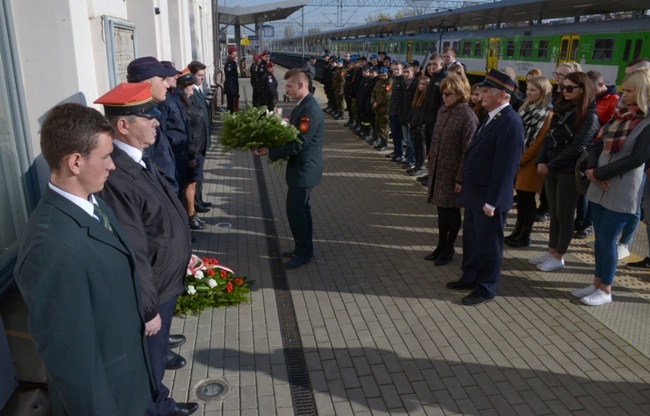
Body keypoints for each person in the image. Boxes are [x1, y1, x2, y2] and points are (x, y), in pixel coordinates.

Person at [14, 103, 153, 415]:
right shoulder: (51, 248)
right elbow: (73, 366)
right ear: (75, 162)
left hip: (130, 388)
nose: (112, 166)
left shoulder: (93, 204)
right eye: (105, 157)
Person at [94, 83, 197, 416]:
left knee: (154, 360)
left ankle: (160, 402)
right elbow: (134, 247)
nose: (156, 121)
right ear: (123, 125)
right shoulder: (116, 175)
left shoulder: (136, 160)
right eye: (146, 116)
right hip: (154, 290)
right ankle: (153, 409)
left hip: (165, 279)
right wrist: (148, 307)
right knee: (148, 362)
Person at [445, 70, 525, 305]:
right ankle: (470, 276)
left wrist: (492, 201)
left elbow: (506, 168)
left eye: (486, 91)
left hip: (488, 199)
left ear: (502, 94)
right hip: (475, 195)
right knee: (472, 240)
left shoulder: (510, 122)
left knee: (489, 245)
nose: (480, 94)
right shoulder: (492, 116)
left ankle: (486, 288)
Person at [572, 68, 650, 306]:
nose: (624, 95)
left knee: (606, 240)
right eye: (624, 90)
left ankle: (606, 289)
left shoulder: (646, 123)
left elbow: (637, 158)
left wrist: (598, 173)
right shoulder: (620, 114)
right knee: (600, 239)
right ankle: (597, 282)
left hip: (621, 190)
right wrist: (593, 169)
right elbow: (597, 143)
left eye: (630, 91)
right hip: (600, 184)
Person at [254, 69, 324, 269]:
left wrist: (270, 150)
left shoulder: (309, 109)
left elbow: (299, 143)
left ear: (301, 85)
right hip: (302, 168)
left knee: (295, 211)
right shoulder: (303, 105)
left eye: (290, 86)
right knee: (302, 210)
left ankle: (303, 252)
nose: (287, 90)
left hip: (305, 170)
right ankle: (303, 248)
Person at [532, 72, 599, 271]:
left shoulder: (589, 115)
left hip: (569, 172)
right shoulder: (560, 108)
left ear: (583, 90)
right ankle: (552, 251)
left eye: (570, 88)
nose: (564, 91)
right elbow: (547, 137)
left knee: (565, 215)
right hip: (552, 168)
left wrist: (551, 164)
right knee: (554, 213)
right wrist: (541, 160)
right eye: (563, 87)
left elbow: (578, 146)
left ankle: (559, 256)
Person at [425, 74, 478, 265]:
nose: (444, 97)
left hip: (453, 173)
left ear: (460, 94)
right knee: (441, 212)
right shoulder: (443, 111)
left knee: (452, 213)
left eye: (448, 94)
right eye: (443, 93)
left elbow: (468, 151)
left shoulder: (467, 116)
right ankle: (440, 246)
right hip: (439, 169)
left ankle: (449, 249)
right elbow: (436, 138)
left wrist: (460, 178)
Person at [507, 76, 553, 247]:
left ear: (543, 92)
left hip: (530, 163)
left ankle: (525, 235)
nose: (529, 93)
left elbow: (539, 142)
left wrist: (520, 160)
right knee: (521, 198)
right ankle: (517, 231)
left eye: (533, 90)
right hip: (519, 159)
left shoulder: (547, 113)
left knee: (527, 200)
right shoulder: (527, 107)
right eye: (528, 89)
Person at [127, 56, 179, 195]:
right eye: (162, 79)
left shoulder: (155, 111)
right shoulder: (140, 123)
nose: (167, 85)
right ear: (146, 84)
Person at [177, 70, 209, 230]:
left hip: (197, 148)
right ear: (182, 87)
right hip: (192, 150)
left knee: (194, 183)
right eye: (189, 85)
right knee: (189, 184)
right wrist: (191, 154)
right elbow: (187, 131)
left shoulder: (189, 102)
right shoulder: (182, 106)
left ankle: (193, 211)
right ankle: (190, 216)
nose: (192, 88)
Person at [188, 60, 212, 214]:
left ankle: (200, 199)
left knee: (200, 173)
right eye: (199, 75)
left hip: (202, 140)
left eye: (203, 75)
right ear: (192, 76)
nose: (202, 78)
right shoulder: (192, 94)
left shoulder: (198, 91)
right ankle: (196, 203)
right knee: (196, 175)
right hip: (197, 142)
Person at [407, 77, 430, 176]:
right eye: (420, 84)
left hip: (420, 127)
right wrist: (409, 120)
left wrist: (413, 123)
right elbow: (412, 110)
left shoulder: (426, 98)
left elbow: (422, 113)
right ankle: (416, 165)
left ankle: (420, 166)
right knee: (415, 147)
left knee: (421, 148)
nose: (421, 86)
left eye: (424, 84)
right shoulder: (417, 96)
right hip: (413, 126)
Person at [371, 66, 392, 150]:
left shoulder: (389, 82)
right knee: (378, 125)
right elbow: (373, 93)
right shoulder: (379, 82)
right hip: (377, 108)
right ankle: (380, 141)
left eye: (384, 75)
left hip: (385, 109)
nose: (383, 77)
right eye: (381, 75)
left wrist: (378, 103)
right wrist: (373, 102)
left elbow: (387, 96)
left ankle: (384, 143)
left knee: (384, 126)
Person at [388, 61, 405, 161]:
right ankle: (396, 151)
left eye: (398, 69)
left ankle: (400, 154)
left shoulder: (403, 82)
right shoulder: (393, 80)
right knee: (394, 134)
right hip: (392, 111)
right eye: (394, 69)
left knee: (399, 135)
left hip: (399, 112)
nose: (396, 71)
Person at [224, 46, 240, 113]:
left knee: (233, 106)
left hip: (233, 88)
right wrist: (232, 90)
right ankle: (230, 120)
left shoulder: (232, 62)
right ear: (232, 53)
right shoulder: (229, 64)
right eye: (235, 51)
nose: (236, 52)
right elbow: (229, 78)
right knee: (231, 106)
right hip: (231, 89)